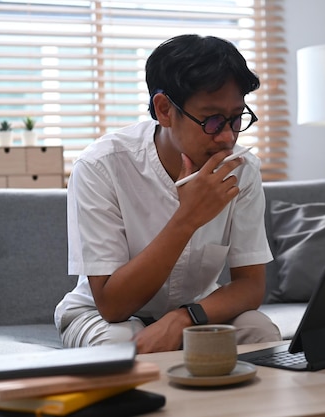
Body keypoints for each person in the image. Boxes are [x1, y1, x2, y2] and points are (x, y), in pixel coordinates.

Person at [54, 34, 282, 353]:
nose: (228, 137)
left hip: (195, 311)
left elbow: (250, 285)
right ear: (164, 110)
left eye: (236, 118)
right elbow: (112, 305)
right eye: (213, 120)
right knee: (124, 346)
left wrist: (183, 319)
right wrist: (187, 218)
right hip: (103, 315)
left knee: (259, 332)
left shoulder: (242, 168)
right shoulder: (100, 167)